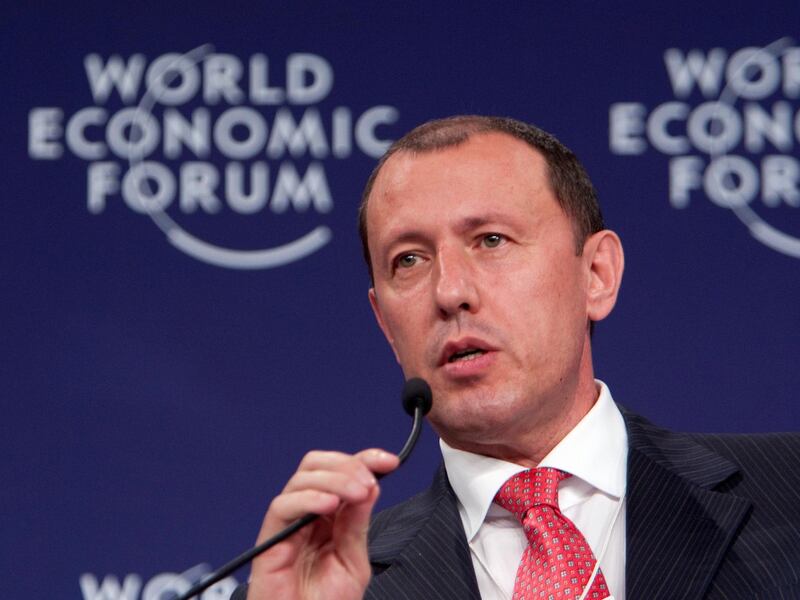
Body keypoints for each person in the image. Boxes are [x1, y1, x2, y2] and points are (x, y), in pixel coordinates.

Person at [233, 116, 800, 600]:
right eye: (409, 259)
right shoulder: (330, 587)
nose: (450, 290)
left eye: (491, 240)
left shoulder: (789, 492)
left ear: (596, 275)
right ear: (385, 323)